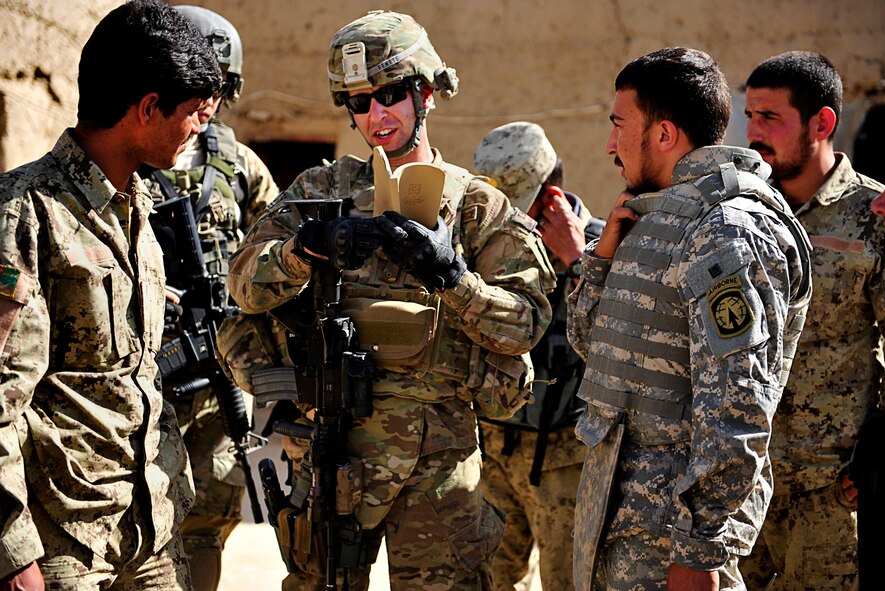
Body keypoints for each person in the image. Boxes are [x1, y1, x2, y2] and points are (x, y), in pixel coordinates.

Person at [226, 10, 554, 590]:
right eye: (358, 101)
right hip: (331, 455)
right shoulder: (319, 192)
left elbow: (525, 323)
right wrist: (306, 249)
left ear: (425, 92)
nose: (376, 115)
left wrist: (452, 276)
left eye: (391, 94)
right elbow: (243, 285)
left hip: (438, 472)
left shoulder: (479, 208)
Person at [567, 47, 812, 591]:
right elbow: (595, 347)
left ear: (663, 134)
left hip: (669, 541)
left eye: (618, 125)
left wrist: (698, 552)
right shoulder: (654, 217)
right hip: (618, 519)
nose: (610, 144)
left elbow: (738, 405)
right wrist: (602, 261)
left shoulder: (725, 230)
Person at [0, 1, 222, 590]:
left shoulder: (139, 209)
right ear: (148, 109)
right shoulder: (25, 216)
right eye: (194, 112)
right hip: (63, 544)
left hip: (147, 529)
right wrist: (12, 551)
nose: (201, 127)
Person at [740, 50, 885, 591]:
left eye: (770, 118)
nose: (753, 132)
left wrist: (878, 445)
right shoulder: (744, 213)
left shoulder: (873, 218)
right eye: (750, 116)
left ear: (822, 123)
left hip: (830, 491)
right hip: (745, 482)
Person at [143, 7, 279, 591]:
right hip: (146, 366)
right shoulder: (134, 155)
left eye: (217, 86)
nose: (207, 102)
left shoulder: (242, 166)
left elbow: (273, 252)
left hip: (218, 366)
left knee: (206, 523)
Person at [472, 121, 603, 591]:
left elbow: (622, 334)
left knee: (566, 582)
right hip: (491, 450)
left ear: (549, 199)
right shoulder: (487, 245)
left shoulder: (607, 246)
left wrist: (576, 257)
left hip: (564, 459)